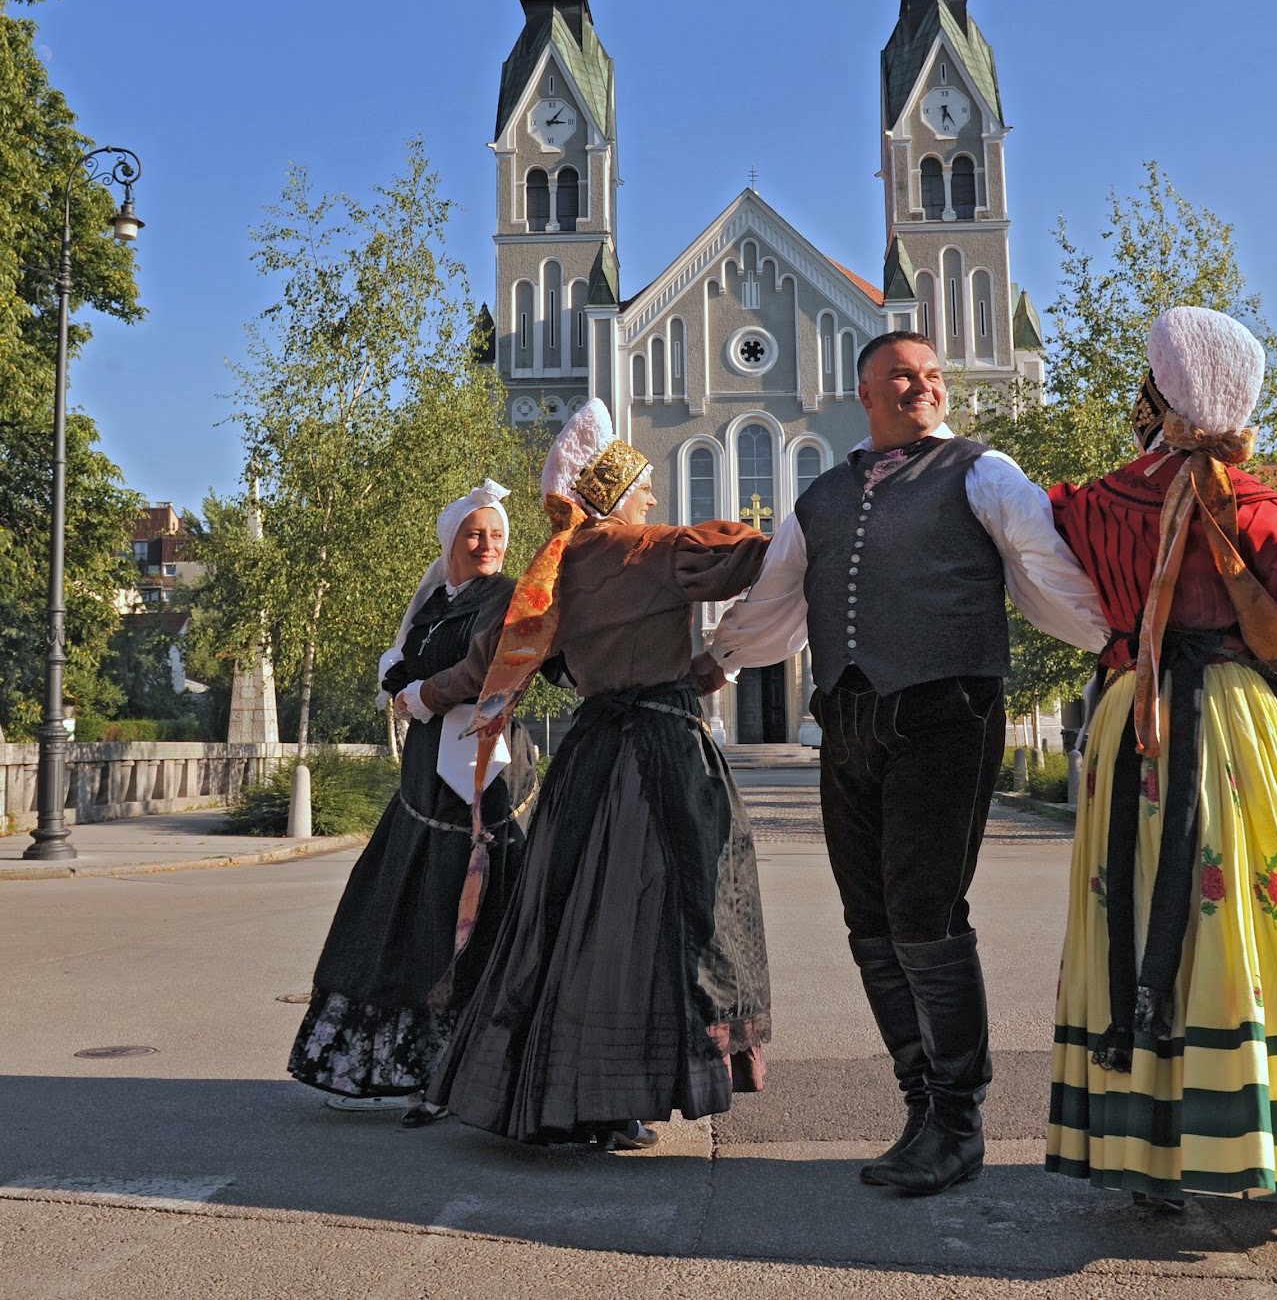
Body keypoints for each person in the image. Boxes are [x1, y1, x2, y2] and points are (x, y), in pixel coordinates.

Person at [702, 331, 1108, 1196]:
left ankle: (959, 1120)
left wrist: (1117, 642)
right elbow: (777, 602)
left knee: (925, 914)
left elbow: (1043, 565)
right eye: (903, 375)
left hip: (945, 711)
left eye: (931, 375)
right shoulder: (820, 496)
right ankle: (921, 1101)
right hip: (849, 720)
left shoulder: (982, 470)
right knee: (871, 924)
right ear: (867, 392)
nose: (922, 385)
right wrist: (715, 663)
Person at [1045, 306, 1277, 1207]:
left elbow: (1063, 593)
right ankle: (1275, 1127)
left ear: (1160, 396)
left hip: (1136, 722)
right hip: (1243, 722)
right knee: (1266, 905)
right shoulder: (1263, 507)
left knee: (1138, 902)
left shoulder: (1096, 505)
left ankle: (1150, 1143)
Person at [429, 399, 772, 1151]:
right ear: (617, 496)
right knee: (663, 917)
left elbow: (484, 664)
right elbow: (754, 553)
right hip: (662, 752)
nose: (653, 497)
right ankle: (630, 1091)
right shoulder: (650, 550)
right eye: (643, 486)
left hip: (589, 757)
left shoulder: (551, 574)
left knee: (570, 922)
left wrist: (421, 693)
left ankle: (570, 1092)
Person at [288, 479, 532, 1126]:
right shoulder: (433, 602)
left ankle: (461, 1073)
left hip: (476, 784)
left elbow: (482, 672)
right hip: (422, 789)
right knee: (394, 923)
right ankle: (410, 1067)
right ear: (452, 540)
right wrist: (402, 684)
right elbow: (401, 659)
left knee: (461, 931)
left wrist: (420, 695)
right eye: (476, 533)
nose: (488, 544)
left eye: (498, 534)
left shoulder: (505, 597)